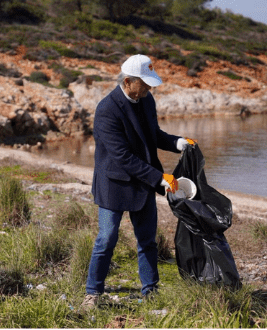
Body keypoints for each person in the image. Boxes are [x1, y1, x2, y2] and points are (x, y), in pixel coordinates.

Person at [82, 55, 194, 310]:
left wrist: (178, 143)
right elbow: (122, 157)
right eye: (145, 83)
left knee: (147, 240)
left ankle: (150, 290)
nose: (149, 88)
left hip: (142, 182)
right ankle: (92, 293)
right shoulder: (107, 109)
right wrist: (159, 178)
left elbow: (153, 135)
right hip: (115, 182)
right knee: (106, 239)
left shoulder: (145, 99)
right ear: (129, 81)